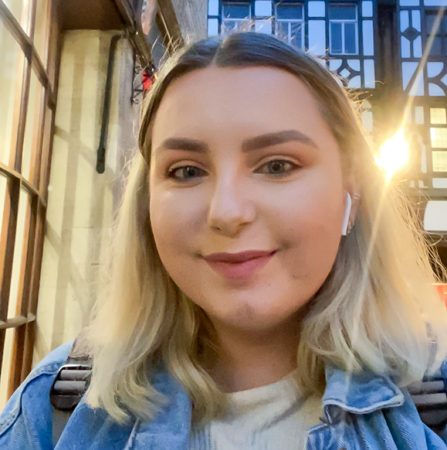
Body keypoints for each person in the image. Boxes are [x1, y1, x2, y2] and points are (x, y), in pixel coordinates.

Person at [1, 31, 447, 450]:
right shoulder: (57, 406)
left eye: (277, 165)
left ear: (353, 185)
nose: (227, 212)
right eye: (187, 171)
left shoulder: (433, 398)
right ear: (147, 204)